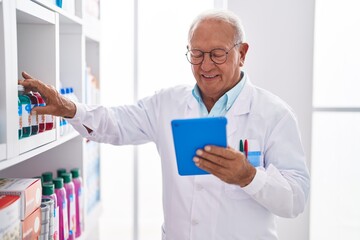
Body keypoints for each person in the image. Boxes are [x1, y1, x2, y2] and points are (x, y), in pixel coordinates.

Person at [19, 9, 310, 240]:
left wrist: (249, 176)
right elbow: (116, 123)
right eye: (196, 54)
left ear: (242, 53)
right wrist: (70, 109)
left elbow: (296, 199)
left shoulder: (274, 114)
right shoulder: (167, 103)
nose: (205, 66)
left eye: (217, 54)